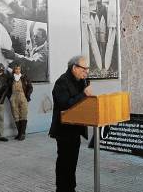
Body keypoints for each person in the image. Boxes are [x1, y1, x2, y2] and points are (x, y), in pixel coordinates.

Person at [49, 55, 92, 192]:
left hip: (75, 129)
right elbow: (65, 105)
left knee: (72, 163)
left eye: (87, 69)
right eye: (84, 69)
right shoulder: (61, 82)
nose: (86, 72)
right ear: (74, 67)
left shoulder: (81, 81)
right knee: (64, 163)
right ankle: (62, 189)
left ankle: (71, 188)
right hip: (64, 130)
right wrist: (83, 94)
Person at [8, 63, 33, 141]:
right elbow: (7, 89)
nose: (17, 70)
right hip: (14, 97)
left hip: (23, 97)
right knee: (16, 115)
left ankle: (22, 133)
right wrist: (10, 97)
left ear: (20, 69)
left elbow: (30, 87)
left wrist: (27, 96)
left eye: (19, 69)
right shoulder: (11, 78)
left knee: (23, 114)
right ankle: (19, 133)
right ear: (14, 70)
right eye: (16, 69)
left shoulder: (24, 77)